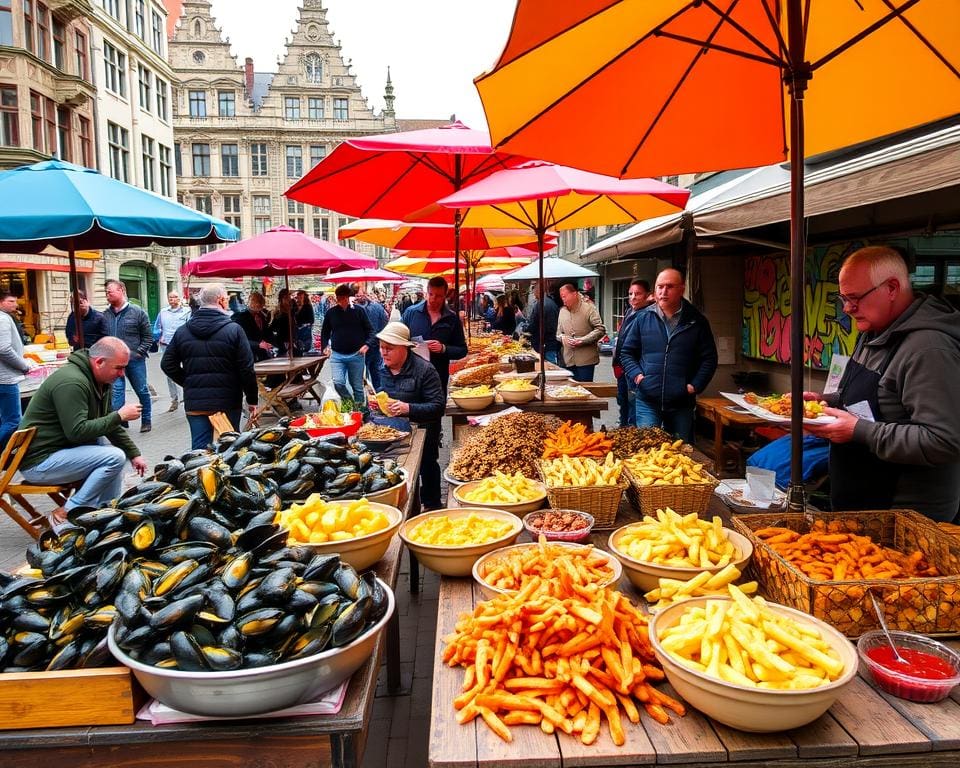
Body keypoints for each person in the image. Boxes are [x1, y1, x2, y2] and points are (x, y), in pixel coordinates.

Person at [803, 246, 960, 523]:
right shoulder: (874, 330)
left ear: (891, 288)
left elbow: (944, 440)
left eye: (855, 298)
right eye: (843, 298)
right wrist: (823, 402)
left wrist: (859, 431)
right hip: (862, 505)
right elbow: (872, 400)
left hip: (904, 519)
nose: (848, 308)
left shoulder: (928, 349)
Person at [19, 337, 147, 525]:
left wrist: (134, 454)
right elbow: (77, 432)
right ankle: (68, 512)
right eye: (119, 368)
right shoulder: (72, 382)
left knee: (111, 453)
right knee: (113, 457)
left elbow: (107, 422)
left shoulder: (100, 380)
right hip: (39, 462)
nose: (122, 374)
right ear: (99, 362)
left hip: (62, 454)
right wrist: (119, 416)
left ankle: (106, 514)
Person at [620, 268, 718, 442]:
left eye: (670, 286)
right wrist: (638, 376)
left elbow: (709, 359)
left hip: (681, 403)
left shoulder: (696, 321)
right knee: (648, 451)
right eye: (660, 286)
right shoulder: (643, 318)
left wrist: (694, 386)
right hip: (647, 399)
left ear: (682, 288)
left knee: (681, 454)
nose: (663, 292)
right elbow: (627, 352)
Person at [161, 284, 259, 450]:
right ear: (220, 300)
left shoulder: (183, 331)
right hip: (227, 400)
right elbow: (246, 369)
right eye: (227, 298)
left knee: (199, 451)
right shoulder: (234, 330)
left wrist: (189, 382)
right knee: (230, 449)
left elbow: (167, 364)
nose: (228, 301)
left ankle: (200, 475)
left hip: (196, 403)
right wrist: (252, 400)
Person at [371, 322, 445, 511]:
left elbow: (438, 406)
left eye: (389, 348)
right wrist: (379, 403)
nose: (383, 352)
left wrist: (408, 408)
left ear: (404, 348)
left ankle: (433, 505)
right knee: (402, 470)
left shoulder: (425, 370)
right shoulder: (382, 367)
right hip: (396, 431)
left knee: (427, 465)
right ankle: (411, 509)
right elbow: (383, 391)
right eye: (381, 347)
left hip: (425, 428)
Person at [401, 276, 467, 394]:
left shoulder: (452, 319)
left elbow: (462, 350)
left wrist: (443, 348)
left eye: (438, 296)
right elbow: (398, 340)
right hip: (412, 375)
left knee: (436, 410)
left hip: (438, 377)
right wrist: (412, 345)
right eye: (430, 294)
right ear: (427, 292)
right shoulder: (411, 313)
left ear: (445, 296)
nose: (433, 299)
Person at [104, 279, 153, 433]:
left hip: (134, 361)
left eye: (110, 291)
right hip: (114, 362)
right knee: (116, 392)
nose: (107, 295)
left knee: (141, 390)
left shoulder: (138, 312)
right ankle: (119, 422)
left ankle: (146, 420)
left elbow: (148, 337)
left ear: (121, 291)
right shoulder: (105, 315)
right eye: (106, 292)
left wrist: (138, 353)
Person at [320, 284, 374, 405]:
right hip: (337, 355)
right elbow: (325, 332)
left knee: (357, 387)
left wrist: (367, 345)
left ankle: (360, 411)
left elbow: (370, 331)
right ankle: (349, 403)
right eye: (338, 299)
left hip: (357, 354)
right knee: (338, 383)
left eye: (343, 299)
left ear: (347, 298)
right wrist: (325, 346)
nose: (341, 302)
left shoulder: (359, 311)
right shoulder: (331, 313)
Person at [613, 279, 652, 427]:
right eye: (630, 293)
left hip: (634, 368)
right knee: (623, 401)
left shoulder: (647, 315)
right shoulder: (629, 311)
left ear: (647, 295)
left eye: (638, 294)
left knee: (633, 403)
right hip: (621, 367)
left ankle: (631, 430)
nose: (633, 297)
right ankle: (623, 428)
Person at [0, 291, 35, 449]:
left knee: (6, 419)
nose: (16, 304)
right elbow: (4, 349)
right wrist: (23, 365)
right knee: (13, 420)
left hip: (4, 377)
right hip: (6, 378)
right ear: (1, 303)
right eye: (11, 301)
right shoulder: (3, 319)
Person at [557, 283, 606, 382]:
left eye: (565, 296)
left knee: (585, 389)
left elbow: (600, 329)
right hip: (567, 359)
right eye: (561, 297)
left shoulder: (589, 308)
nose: (563, 299)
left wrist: (582, 340)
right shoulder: (562, 311)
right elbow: (558, 333)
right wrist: (562, 337)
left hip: (586, 360)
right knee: (569, 390)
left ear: (574, 294)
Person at [154, 291, 191, 412]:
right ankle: (174, 398)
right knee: (169, 371)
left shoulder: (187, 312)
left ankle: (188, 394)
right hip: (167, 345)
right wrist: (158, 337)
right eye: (170, 297)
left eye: (175, 297)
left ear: (179, 298)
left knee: (187, 369)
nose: (172, 299)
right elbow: (157, 327)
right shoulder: (163, 312)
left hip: (183, 345)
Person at [355, 286, 389, 390]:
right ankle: (378, 397)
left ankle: (365, 400)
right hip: (374, 345)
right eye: (357, 295)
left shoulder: (355, 310)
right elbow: (385, 323)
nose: (358, 296)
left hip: (362, 348)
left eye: (358, 295)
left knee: (361, 376)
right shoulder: (378, 307)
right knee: (376, 374)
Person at [233, 291, 277, 362]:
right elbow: (240, 339)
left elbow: (267, 334)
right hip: (248, 355)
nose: (257, 304)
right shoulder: (241, 317)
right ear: (249, 302)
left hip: (263, 355)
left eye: (259, 303)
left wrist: (273, 344)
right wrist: (258, 345)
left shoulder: (262, 316)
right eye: (254, 302)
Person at [525, 282, 561, 364]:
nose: (533, 295)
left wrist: (526, 329)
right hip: (550, 342)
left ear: (538, 291)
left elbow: (534, 324)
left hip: (546, 344)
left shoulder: (541, 304)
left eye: (534, 291)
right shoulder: (551, 302)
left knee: (550, 367)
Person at [295, 289, 315, 355]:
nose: (299, 299)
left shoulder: (308, 306)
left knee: (305, 347)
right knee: (297, 347)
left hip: (305, 330)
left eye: (301, 297)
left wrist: (306, 325)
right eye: (298, 297)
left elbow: (312, 320)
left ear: (304, 298)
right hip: (296, 330)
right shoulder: (295, 307)